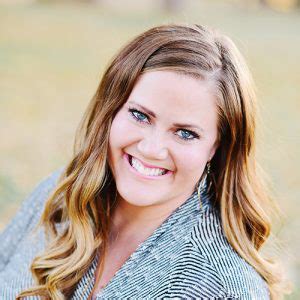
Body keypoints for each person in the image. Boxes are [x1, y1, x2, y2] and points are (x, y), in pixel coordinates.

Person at [0, 24, 288, 299]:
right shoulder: (60, 194)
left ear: (216, 148)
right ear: (111, 111)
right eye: (140, 116)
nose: (152, 149)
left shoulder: (224, 289)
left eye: (185, 133)